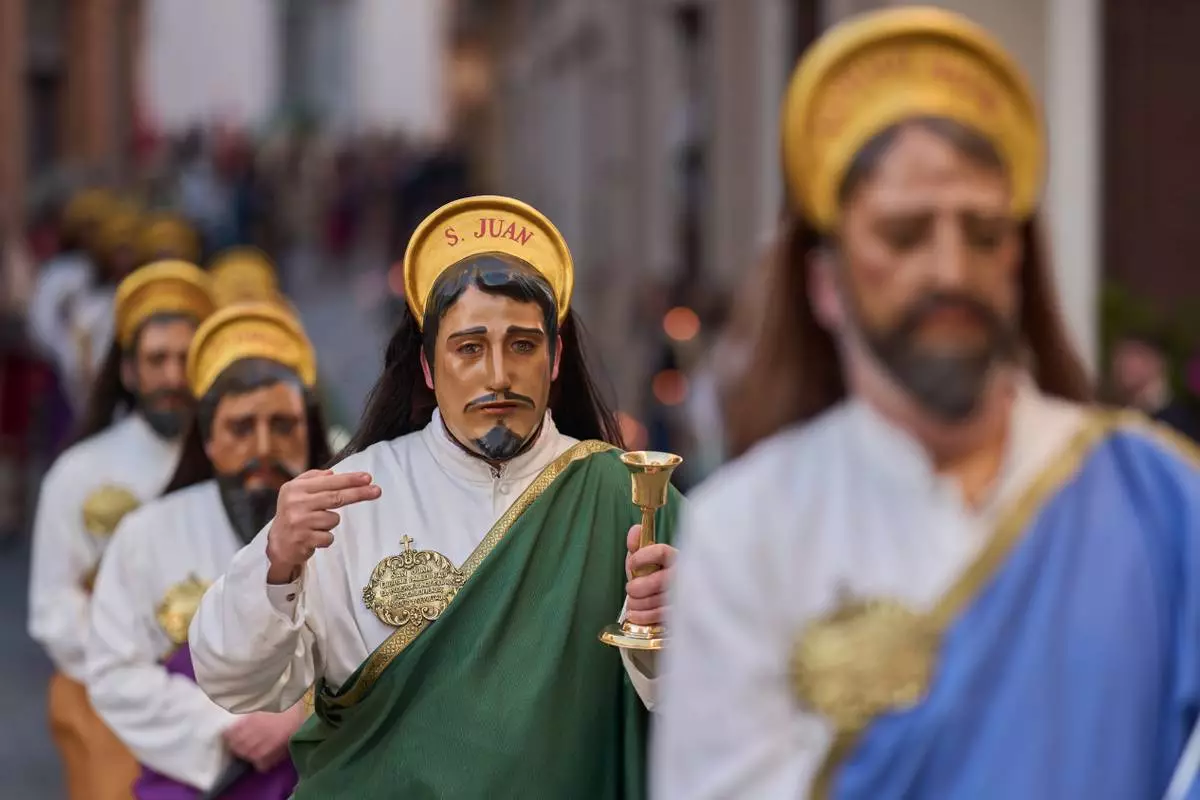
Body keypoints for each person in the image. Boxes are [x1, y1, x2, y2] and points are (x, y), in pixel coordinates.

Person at [653, 8, 1200, 799]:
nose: (950, 270)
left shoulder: (1158, 499)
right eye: (905, 235)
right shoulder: (747, 532)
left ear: (1018, 261)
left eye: (983, 233)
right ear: (825, 282)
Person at [189, 196, 682, 798]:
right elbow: (237, 682)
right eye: (469, 348)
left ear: (555, 358)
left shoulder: (628, 495)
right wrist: (275, 564)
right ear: (427, 366)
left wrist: (671, 628)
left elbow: (708, 701)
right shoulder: (353, 497)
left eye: (522, 345)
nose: (498, 374)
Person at [88, 302, 332, 799]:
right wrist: (225, 723)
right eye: (242, 428)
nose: (263, 447)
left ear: (308, 432)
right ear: (209, 440)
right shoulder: (147, 534)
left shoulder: (353, 525)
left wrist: (300, 714)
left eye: (283, 425)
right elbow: (114, 671)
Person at [28, 260, 217, 800]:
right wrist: (134, 667)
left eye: (186, 359)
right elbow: (53, 606)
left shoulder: (238, 465)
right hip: (108, 703)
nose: (173, 376)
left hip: (223, 698)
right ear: (129, 371)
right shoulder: (78, 473)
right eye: (157, 360)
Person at [1109, 329, 1200, 441]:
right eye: (1119, 357)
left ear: (1157, 362)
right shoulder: (1114, 418)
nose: (1122, 365)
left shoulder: (1183, 420)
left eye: (1134, 355)